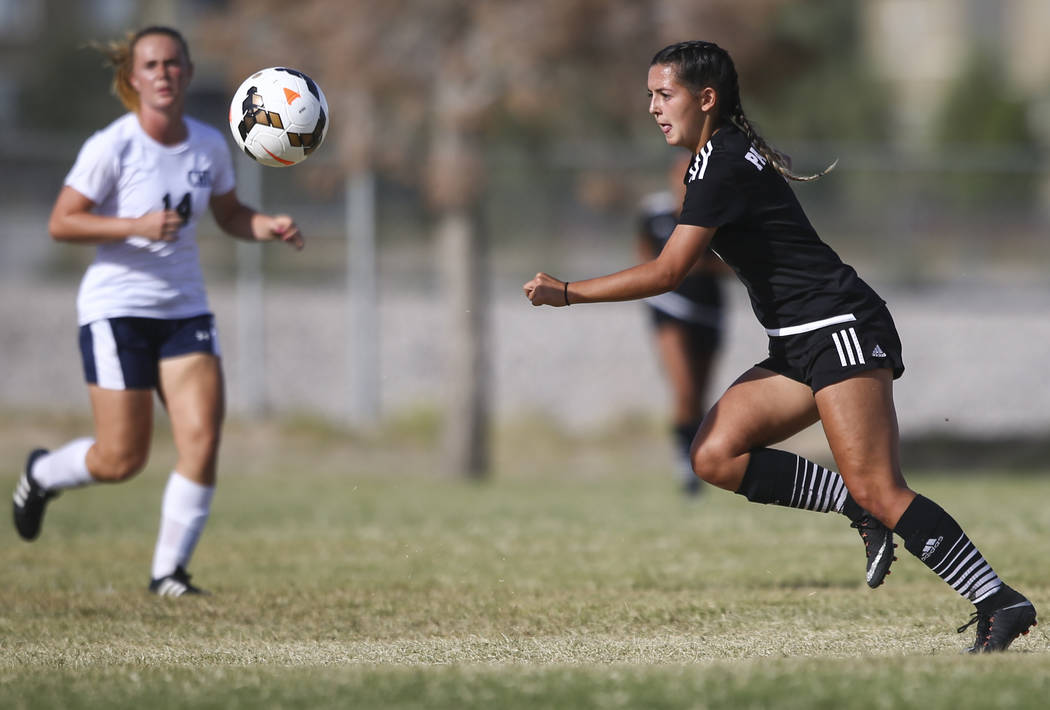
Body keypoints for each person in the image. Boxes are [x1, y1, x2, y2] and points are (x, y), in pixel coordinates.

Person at [524, 40, 1036, 652]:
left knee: (884, 487)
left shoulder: (720, 163)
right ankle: (858, 505)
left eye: (665, 95)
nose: (655, 108)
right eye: (650, 97)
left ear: (706, 98)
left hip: (839, 328)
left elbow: (667, 272)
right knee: (715, 454)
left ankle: (999, 601)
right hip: (799, 341)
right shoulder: (716, 157)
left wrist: (569, 292)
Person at [11, 26, 303, 597]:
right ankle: (42, 473)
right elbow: (61, 221)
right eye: (151, 65)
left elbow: (228, 213)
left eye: (173, 63)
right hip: (115, 311)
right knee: (122, 459)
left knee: (202, 440)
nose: (163, 73)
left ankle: (168, 573)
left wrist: (266, 226)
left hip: (185, 309)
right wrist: (134, 226)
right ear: (133, 78)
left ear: (189, 73)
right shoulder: (112, 146)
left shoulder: (209, 144)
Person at [637, 151, 727, 496]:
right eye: (679, 173)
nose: (684, 180)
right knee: (684, 388)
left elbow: (734, 264)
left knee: (700, 395)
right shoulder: (654, 212)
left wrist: (697, 264)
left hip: (708, 308)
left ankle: (695, 457)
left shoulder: (715, 211)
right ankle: (683, 462)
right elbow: (644, 254)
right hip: (669, 306)